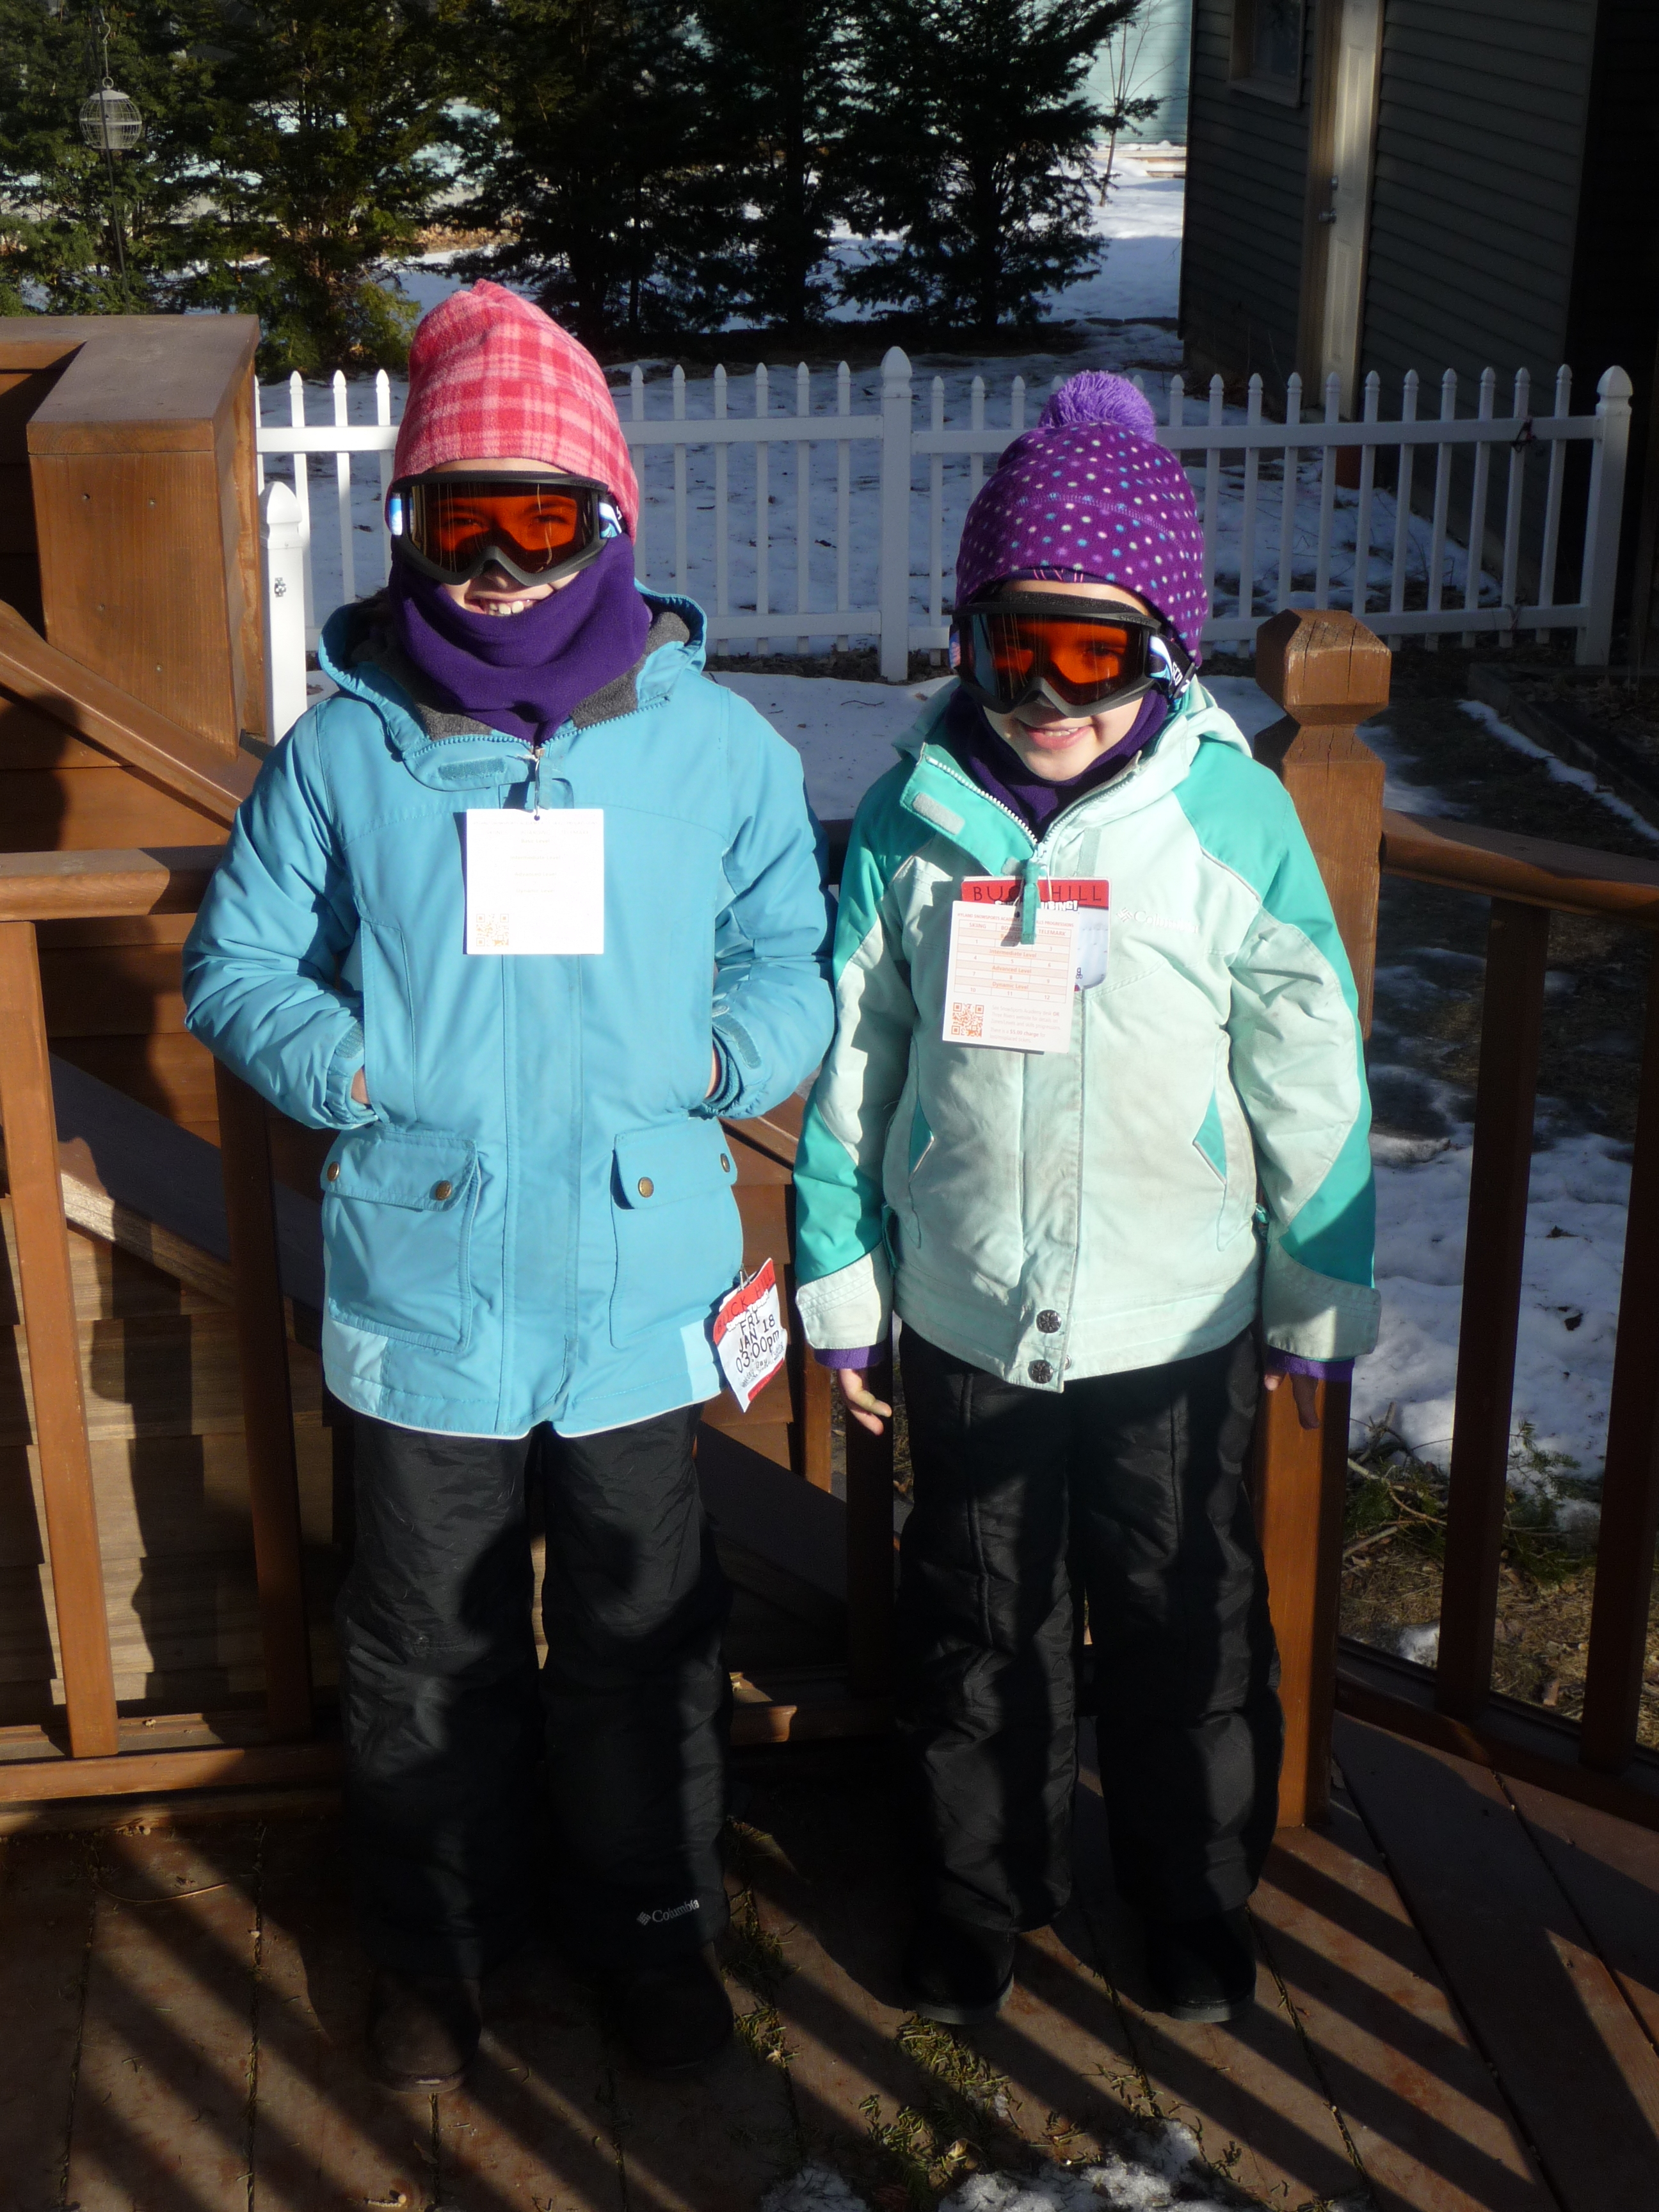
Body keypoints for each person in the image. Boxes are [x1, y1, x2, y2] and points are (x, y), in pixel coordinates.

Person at [182, 283, 832, 2089]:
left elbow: (790, 952)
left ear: (609, 523)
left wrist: (724, 1060)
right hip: (431, 1287)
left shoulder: (717, 750)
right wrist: (358, 1073)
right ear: (403, 526)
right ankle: (439, 1953)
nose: (490, 565)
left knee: (641, 1630)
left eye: (537, 522)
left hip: (638, 1289)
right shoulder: (346, 752)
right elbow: (240, 968)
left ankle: (651, 1934)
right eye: (452, 520)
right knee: (420, 1647)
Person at [791, 372, 1378, 2028]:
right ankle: (981, 1898)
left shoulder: (1225, 820)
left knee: (1186, 1621)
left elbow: (1309, 1061)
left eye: (1092, 652)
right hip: (968, 1304)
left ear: (1163, 655)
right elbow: (855, 1060)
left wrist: (1318, 1282)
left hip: (1172, 1318)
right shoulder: (916, 822)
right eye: (1011, 648)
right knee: (980, 1629)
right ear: (967, 642)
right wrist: (843, 1272)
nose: (1045, 691)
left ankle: (1192, 1901)